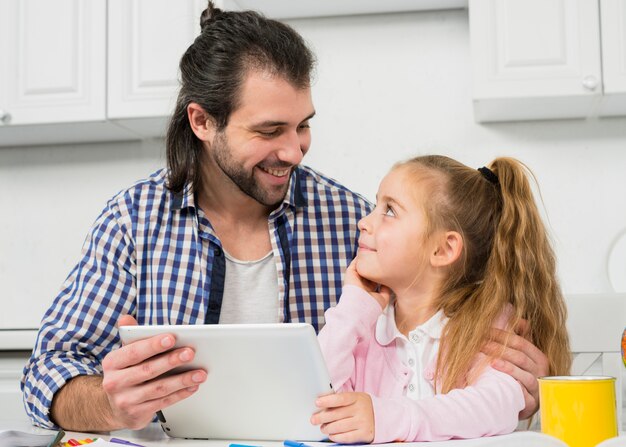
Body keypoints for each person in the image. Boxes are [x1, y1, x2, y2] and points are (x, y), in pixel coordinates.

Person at [21, 2, 548, 433]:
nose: (295, 151)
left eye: (304, 126)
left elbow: (443, 334)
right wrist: (108, 404)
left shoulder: (349, 221)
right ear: (203, 122)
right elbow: (46, 370)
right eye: (270, 131)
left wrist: (515, 385)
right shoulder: (134, 221)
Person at [311, 155, 572, 443]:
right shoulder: (362, 326)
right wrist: (351, 311)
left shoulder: (487, 325)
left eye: (389, 211)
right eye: (376, 206)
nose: (364, 222)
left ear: (444, 249)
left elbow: (496, 404)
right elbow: (312, 401)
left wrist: (389, 418)